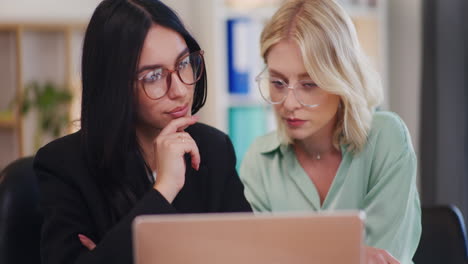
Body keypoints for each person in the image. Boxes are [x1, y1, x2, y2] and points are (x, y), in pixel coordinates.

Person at [33, 0, 251, 263]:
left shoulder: (214, 148)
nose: (180, 90)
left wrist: (109, 251)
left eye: (183, 63)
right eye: (153, 76)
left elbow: (246, 254)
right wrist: (164, 189)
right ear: (115, 85)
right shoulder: (62, 165)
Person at [239, 0, 421, 263]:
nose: (289, 103)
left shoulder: (387, 139)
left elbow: (384, 257)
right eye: (278, 83)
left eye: (309, 84)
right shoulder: (260, 159)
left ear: (341, 79)